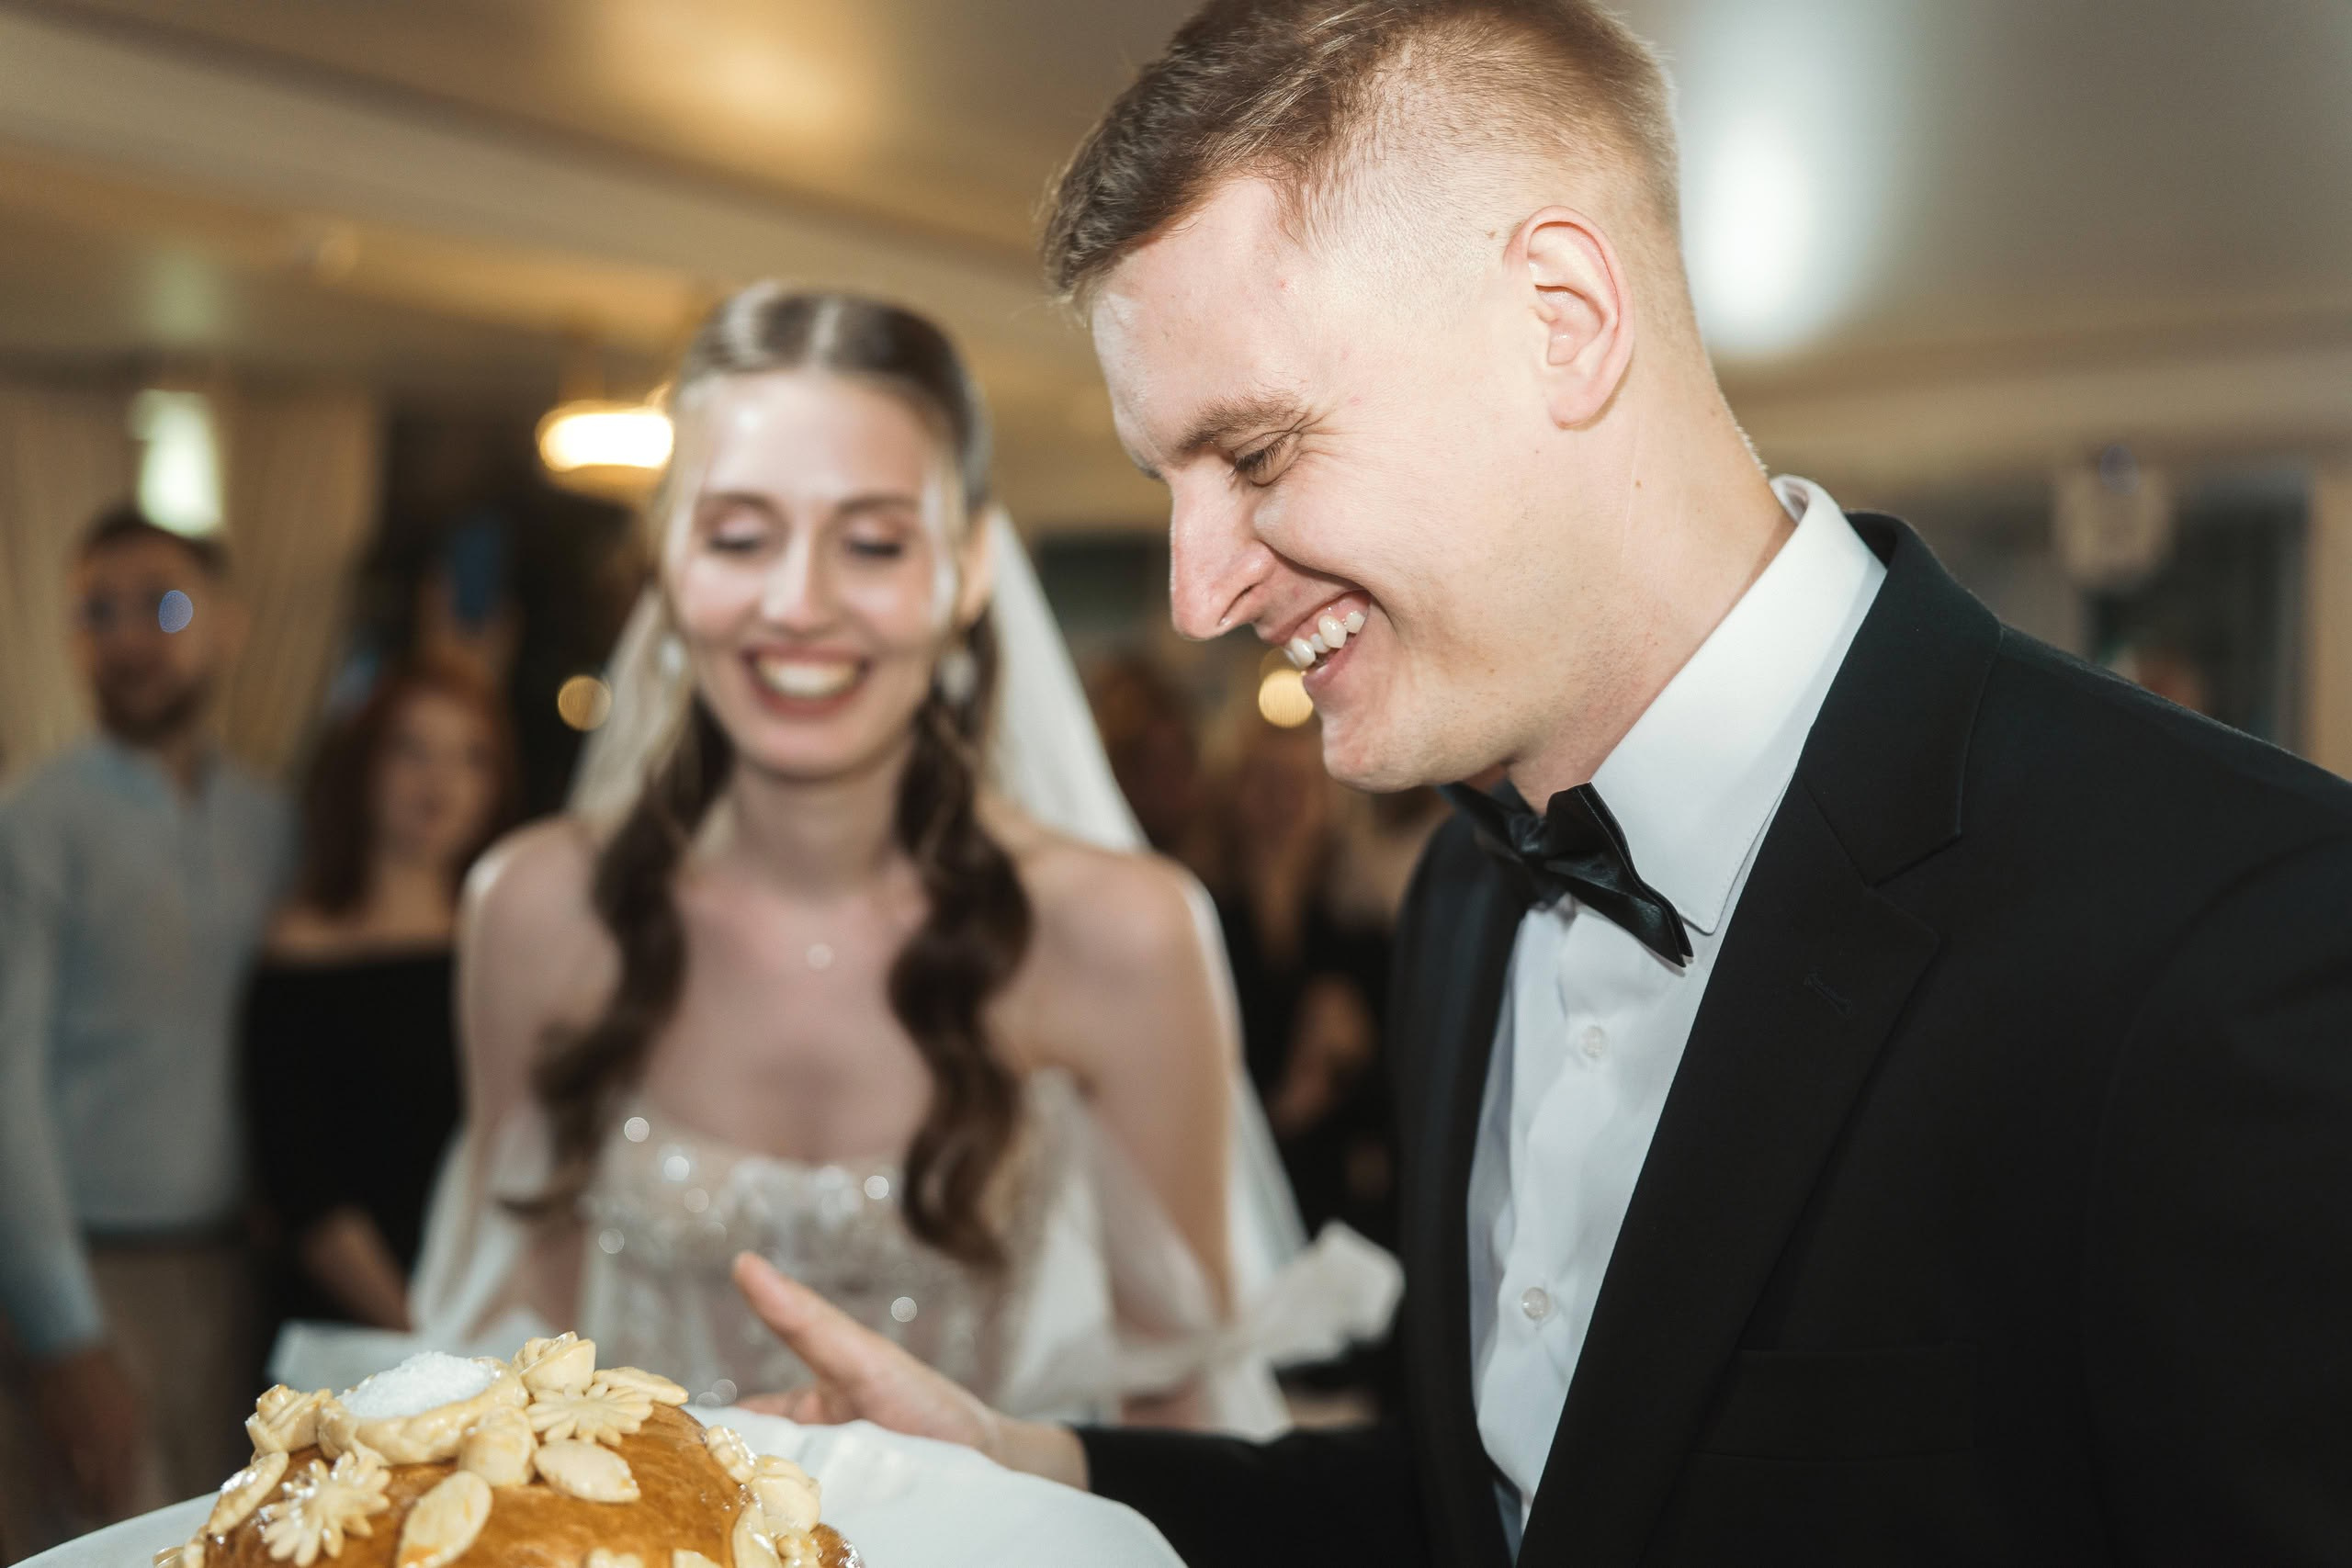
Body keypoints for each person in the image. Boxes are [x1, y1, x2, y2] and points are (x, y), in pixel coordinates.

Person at [729, 3, 2352, 1563]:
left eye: (1261, 456)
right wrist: (1034, 1467)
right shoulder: (1465, 889)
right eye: (1170, 484)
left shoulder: (2238, 933)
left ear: (1561, 321)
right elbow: (1492, 1509)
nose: (1195, 593)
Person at [406, 285, 1391, 1431]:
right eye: (737, 535)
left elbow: (1177, 1408)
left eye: (871, 540)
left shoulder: (1116, 934)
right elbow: (509, 1348)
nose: (798, 602)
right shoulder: (537, 912)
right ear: (666, 564)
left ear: (969, 569)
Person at [0, 508, 290, 1546]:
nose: (128, 636)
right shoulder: (33, 821)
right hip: (85, 1273)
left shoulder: (271, 821)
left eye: (163, 606)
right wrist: (64, 1336)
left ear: (228, 624)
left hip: (235, 1278)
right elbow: (5, 1091)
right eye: (97, 611)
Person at [243, 658, 517, 1342]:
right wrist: (424, 1335)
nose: (440, 783)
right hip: (353, 1331)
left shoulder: (513, 943)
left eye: (471, 757)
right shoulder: (302, 950)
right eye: (411, 750)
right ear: (364, 766)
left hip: (501, 1318)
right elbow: (305, 1189)